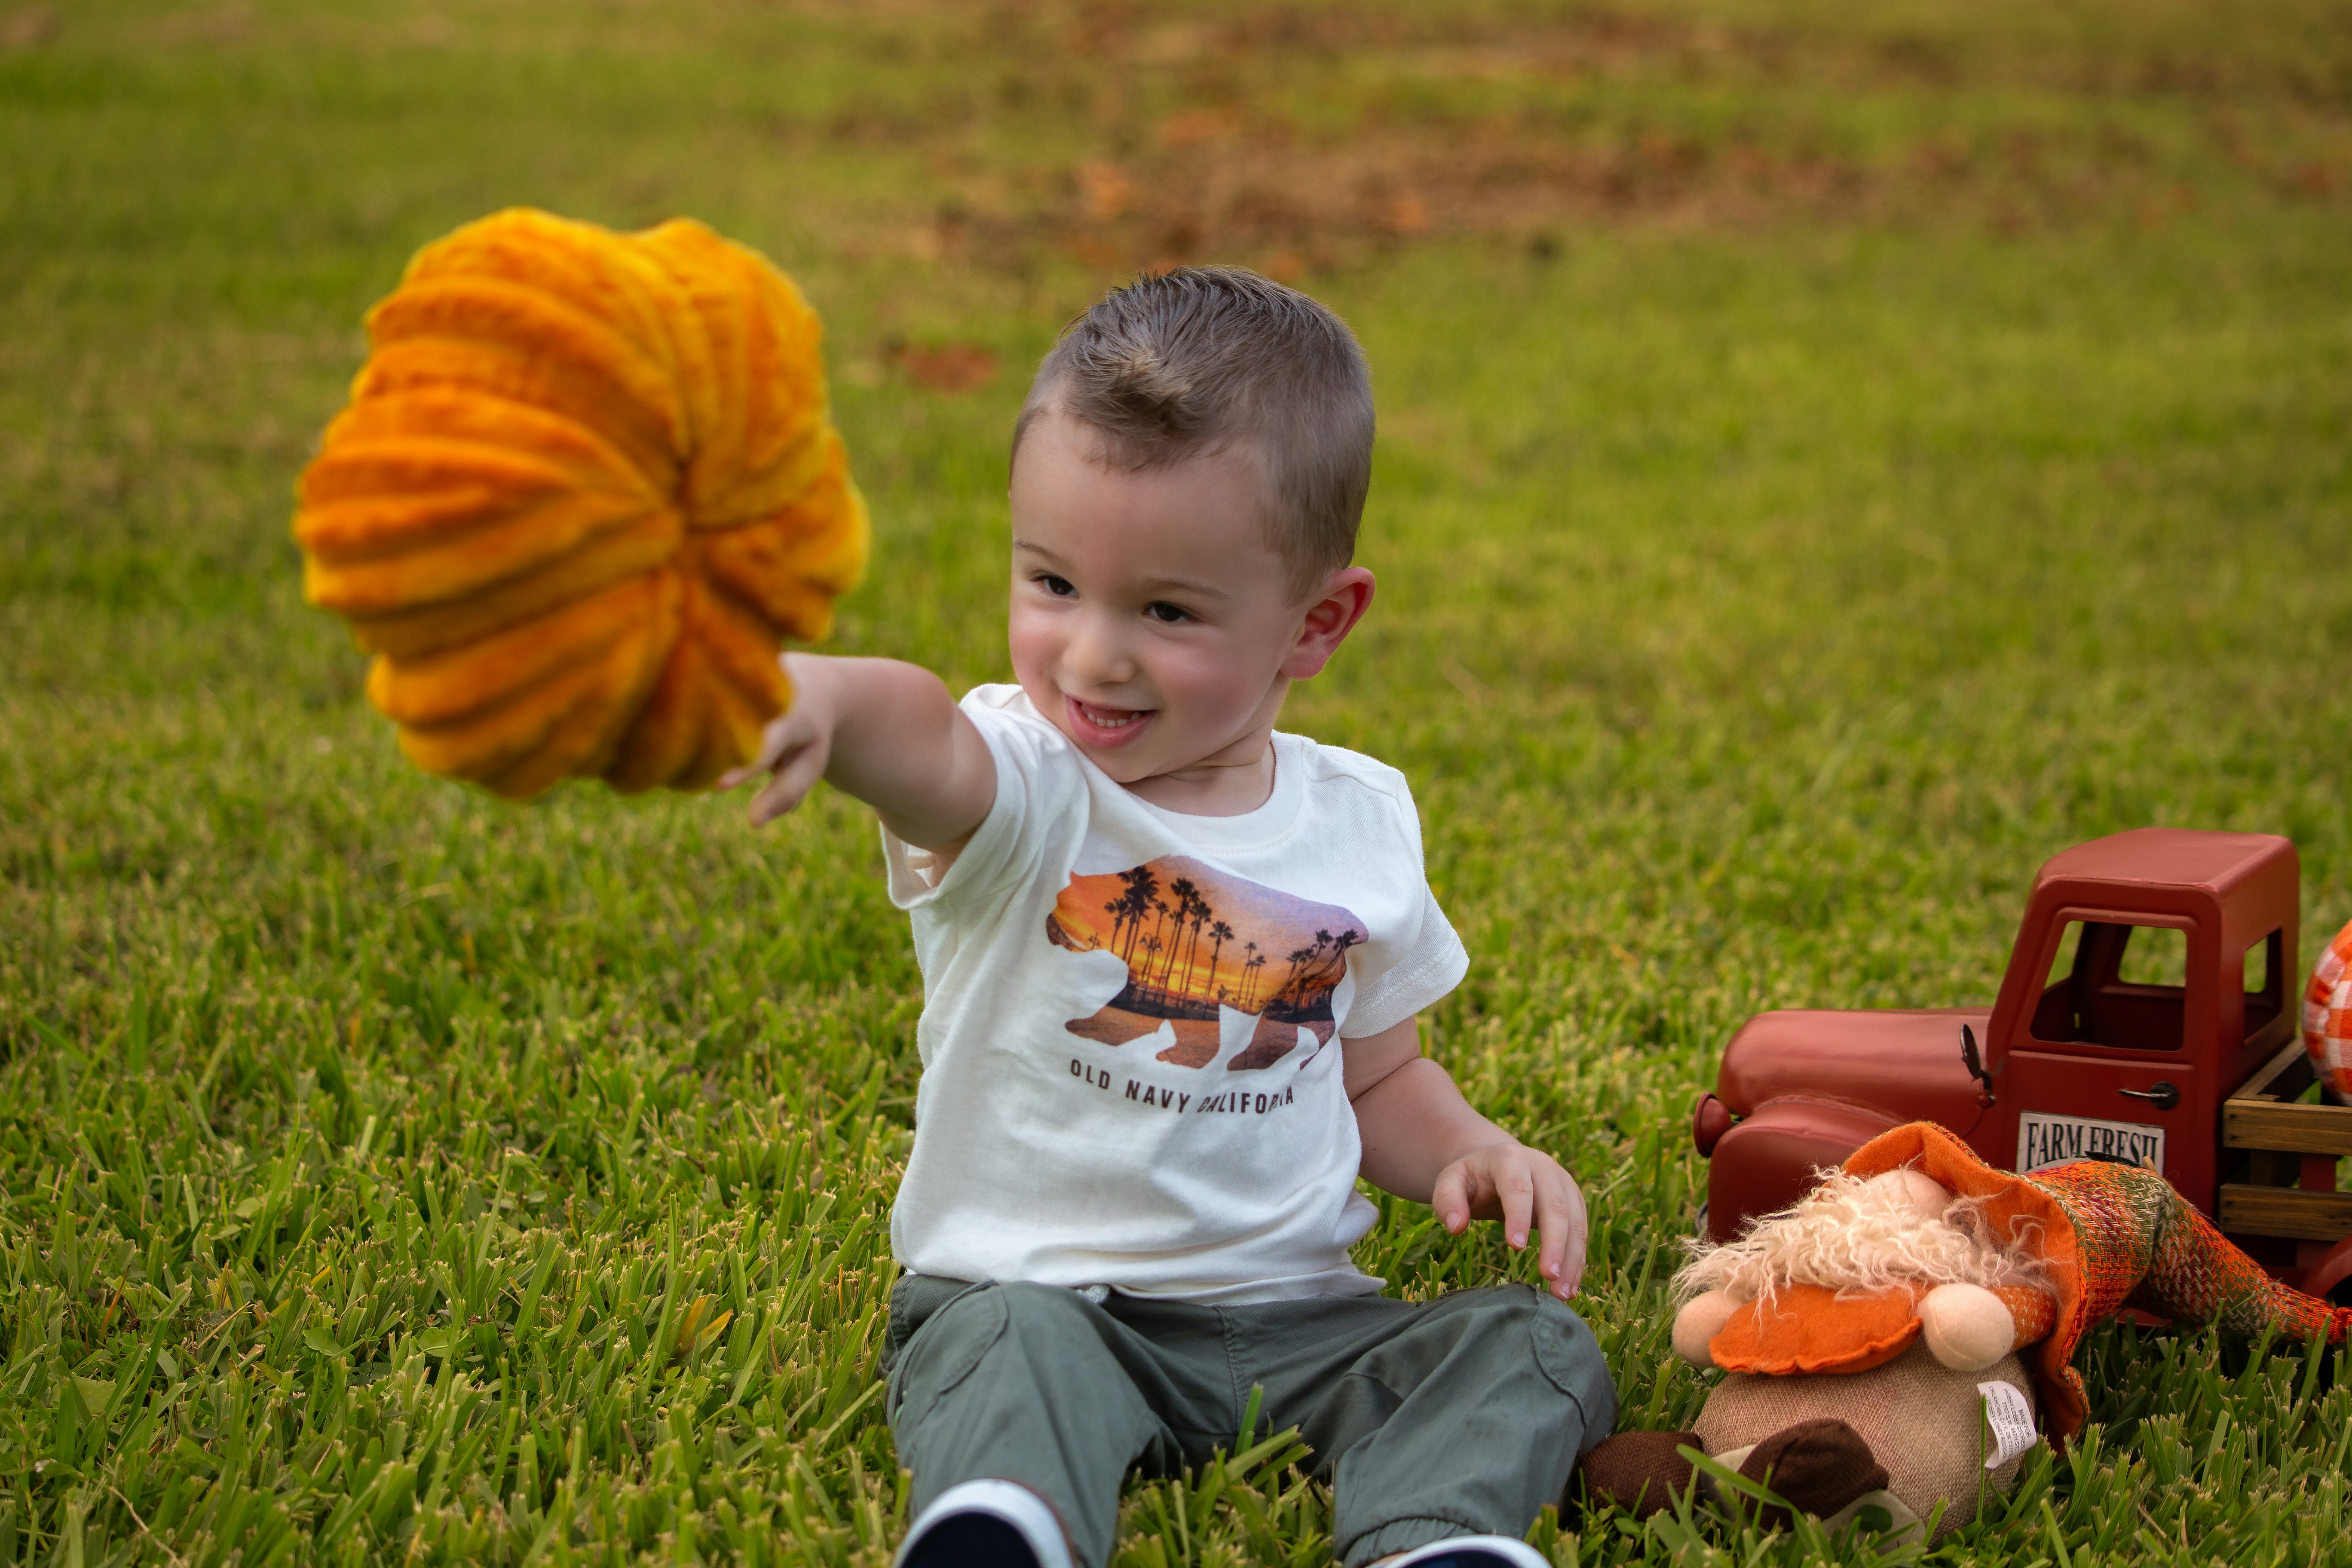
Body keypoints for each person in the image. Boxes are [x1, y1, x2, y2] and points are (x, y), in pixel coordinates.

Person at [722, 268, 1615, 1568]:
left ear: (1317, 624)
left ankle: (1434, 1543)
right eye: (1053, 585)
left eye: (1167, 612)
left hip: (1301, 1320)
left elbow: (1381, 1080)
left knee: (1532, 1343)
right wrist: (826, 702)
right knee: (1003, 1348)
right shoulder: (1026, 782)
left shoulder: (1359, 824)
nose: (1091, 656)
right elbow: (925, 738)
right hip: (1047, 1293)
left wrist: (1471, 1151)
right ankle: (1010, 1527)